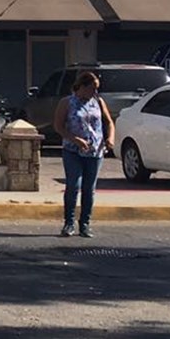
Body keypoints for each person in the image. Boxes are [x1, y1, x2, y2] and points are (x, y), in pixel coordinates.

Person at [53, 70, 115, 238]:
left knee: (89, 188)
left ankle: (85, 224)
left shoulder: (98, 102)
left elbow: (109, 122)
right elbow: (58, 126)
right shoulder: (67, 102)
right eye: (92, 88)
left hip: (95, 152)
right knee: (73, 185)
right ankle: (69, 223)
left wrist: (110, 138)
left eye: (97, 89)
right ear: (82, 86)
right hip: (73, 151)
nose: (95, 92)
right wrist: (75, 140)